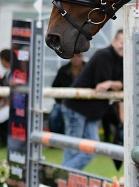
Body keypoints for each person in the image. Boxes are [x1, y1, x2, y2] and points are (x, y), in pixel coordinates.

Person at [61, 30, 124, 170]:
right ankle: (64, 176)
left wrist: (112, 84)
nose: (123, 47)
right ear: (114, 42)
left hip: (92, 112)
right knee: (73, 148)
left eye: (127, 44)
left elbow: (122, 84)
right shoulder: (104, 55)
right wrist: (114, 84)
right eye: (121, 43)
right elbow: (102, 84)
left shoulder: (122, 59)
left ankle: (66, 175)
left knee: (92, 149)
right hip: (76, 108)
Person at [48, 52, 85, 134]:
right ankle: (57, 137)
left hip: (83, 104)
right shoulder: (63, 70)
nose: (76, 59)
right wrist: (61, 101)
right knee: (53, 116)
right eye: (74, 56)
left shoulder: (88, 69)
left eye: (79, 56)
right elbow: (54, 87)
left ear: (82, 57)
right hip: (64, 102)